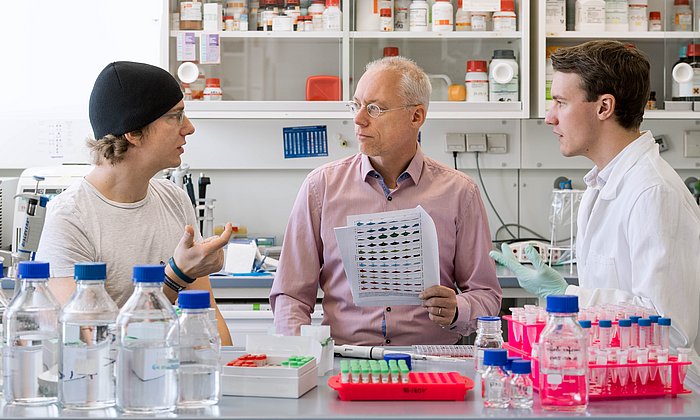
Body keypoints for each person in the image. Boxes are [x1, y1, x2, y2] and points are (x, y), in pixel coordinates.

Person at [490, 40, 700, 382]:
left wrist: (567, 299)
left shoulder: (652, 192)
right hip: (621, 381)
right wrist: (568, 300)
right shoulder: (601, 185)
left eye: (560, 102)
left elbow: (670, 329)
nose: (549, 117)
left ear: (604, 107)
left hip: (662, 391)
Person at [270, 56, 501, 345]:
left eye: (375, 108)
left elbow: (488, 296)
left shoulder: (459, 192)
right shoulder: (321, 187)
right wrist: (298, 356)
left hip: (429, 363)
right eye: (356, 105)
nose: (358, 119)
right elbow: (290, 295)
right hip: (345, 360)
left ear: (416, 116)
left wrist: (459, 309)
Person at [35, 61, 234, 345]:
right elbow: (91, 345)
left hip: (172, 381)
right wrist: (175, 277)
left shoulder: (174, 199)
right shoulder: (70, 217)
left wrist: (230, 372)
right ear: (134, 131)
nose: (189, 128)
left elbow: (207, 318)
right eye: (176, 117)